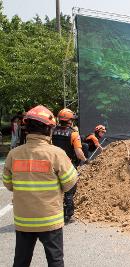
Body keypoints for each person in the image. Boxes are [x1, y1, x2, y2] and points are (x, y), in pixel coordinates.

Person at [2, 105, 78, 267]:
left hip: (24, 220)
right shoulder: (56, 154)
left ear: (27, 128)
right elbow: (70, 182)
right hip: (50, 219)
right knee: (55, 261)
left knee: (21, 261)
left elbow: (8, 184)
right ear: (48, 129)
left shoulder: (14, 154)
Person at [52, 108, 87, 223]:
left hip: (53, 163)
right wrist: (85, 160)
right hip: (68, 164)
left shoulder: (52, 131)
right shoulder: (73, 134)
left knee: (54, 188)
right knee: (69, 189)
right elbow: (79, 152)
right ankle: (68, 213)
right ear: (70, 121)